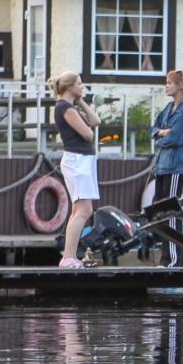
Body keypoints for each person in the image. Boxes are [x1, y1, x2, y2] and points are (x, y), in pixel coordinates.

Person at [149, 69, 183, 267]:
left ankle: (175, 260)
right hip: (163, 166)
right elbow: (154, 130)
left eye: (169, 83)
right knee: (160, 212)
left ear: (179, 86)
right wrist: (162, 133)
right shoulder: (169, 108)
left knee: (170, 212)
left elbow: (176, 138)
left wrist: (161, 138)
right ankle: (168, 258)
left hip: (175, 168)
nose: (166, 86)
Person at [51, 71, 101, 267]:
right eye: (79, 84)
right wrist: (77, 107)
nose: (82, 87)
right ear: (69, 86)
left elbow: (96, 121)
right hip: (77, 161)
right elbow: (89, 134)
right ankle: (68, 257)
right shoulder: (65, 108)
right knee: (83, 210)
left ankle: (70, 256)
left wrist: (81, 102)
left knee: (80, 210)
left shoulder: (71, 106)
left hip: (82, 161)